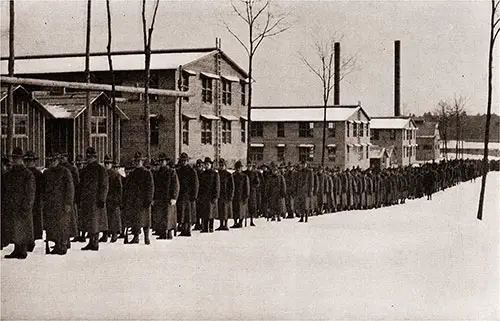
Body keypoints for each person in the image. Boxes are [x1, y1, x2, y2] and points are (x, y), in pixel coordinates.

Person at [1, 148, 36, 259]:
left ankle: (22, 250)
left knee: (22, 228)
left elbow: (30, 192)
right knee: (14, 229)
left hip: (22, 206)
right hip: (12, 206)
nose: (15, 160)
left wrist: (26, 206)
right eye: (14, 158)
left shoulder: (27, 174)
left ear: (22, 159)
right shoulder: (9, 174)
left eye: (18, 158)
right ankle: (17, 249)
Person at [42, 153, 75, 255]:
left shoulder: (65, 172)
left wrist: (68, 203)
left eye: (54, 160)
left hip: (62, 203)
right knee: (53, 226)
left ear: (58, 161)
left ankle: (63, 245)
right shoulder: (47, 173)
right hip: (51, 204)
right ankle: (56, 244)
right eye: (50, 161)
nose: (52, 162)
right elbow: (43, 188)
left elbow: (70, 188)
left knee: (62, 226)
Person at [78, 147, 109, 251]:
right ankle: (91, 242)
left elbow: (104, 185)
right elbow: (81, 185)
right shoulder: (85, 170)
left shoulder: (101, 169)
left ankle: (95, 243)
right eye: (88, 157)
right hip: (87, 200)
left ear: (95, 157)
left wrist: (102, 199)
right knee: (89, 223)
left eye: (91, 157)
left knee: (95, 223)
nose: (89, 159)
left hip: (96, 201)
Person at [123, 152, 154, 244]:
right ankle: (136, 237)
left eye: (139, 161)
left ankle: (146, 237)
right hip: (134, 201)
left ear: (142, 162)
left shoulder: (147, 173)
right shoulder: (132, 174)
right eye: (136, 161)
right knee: (136, 220)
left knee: (146, 221)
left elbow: (150, 188)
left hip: (144, 200)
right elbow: (127, 187)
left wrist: (149, 199)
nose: (137, 163)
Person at [153, 153, 179, 240]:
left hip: (168, 198)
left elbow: (175, 185)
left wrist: (174, 197)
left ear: (166, 162)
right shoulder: (157, 173)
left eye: (162, 161)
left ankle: (169, 232)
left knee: (169, 216)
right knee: (160, 216)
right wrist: (153, 198)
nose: (160, 163)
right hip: (160, 198)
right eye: (159, 161)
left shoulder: (171, 172)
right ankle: (163, 233)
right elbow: (154, 186)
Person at [23, 151, 44, 252]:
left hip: (36, 201)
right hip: (26, 201)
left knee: (34, 222)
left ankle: (32, 241)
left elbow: (41, 189)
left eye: (30, 161)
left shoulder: (38, 174)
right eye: (26, 161)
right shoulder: (23, 173)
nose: (28, 163)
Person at [175, 152, 198, 237]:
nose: (183, 162)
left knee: (188, 215)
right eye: (182, 160)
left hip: (188, 196)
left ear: (188, 161)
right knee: (182, 214)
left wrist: (194, 196)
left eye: (185, 160)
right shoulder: (179, 171)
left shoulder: (192, 171)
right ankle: (183, 229)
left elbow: (195, 184)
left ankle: (187, 230)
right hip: (181, 195)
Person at [102, 155, 122, 243]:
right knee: (105, 217)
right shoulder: (103, 173)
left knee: (114, 218)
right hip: (105, 198)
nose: (107, 165)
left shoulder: (115, 174)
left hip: (113, 198)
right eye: (105, 163)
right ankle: (105, 234)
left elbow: (119, 188)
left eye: (108, 163)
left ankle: (114, 234)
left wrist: (118, 199)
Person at [197, 157, 220, 233]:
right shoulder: (202, 174)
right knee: (204, 213)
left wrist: (215, 196)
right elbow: (200, 185)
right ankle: (205, 227)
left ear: (211, 165)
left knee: (211, 213)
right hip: (204, 196)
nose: (206, 166)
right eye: (205, 164)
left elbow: (217, 186)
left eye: (208, 164)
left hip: (211, 196)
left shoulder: (215, 174)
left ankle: (211, 227)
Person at [216, 158, 234, 231]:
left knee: (226, 211)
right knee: (220, 211)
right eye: (220, 165)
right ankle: (221, 225)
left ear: (225, 166)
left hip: (226, 195)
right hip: (220, 195)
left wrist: (231, 195)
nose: (221, 166)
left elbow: (232, 186)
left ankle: (225, 224)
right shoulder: (217, 174)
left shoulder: (228, 175)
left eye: (222, 165)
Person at [232, 160, 250, 228]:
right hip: (235, 195)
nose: (238, 169)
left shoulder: (244, 176)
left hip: (242, 195)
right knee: (235, 210)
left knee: (241, 211)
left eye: (239, 167)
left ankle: (240, 222)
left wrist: (246, 196)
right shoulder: (233, 175)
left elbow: (247, 187)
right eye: (237, 168)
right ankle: (235, 222)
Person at [243, 161, 260, 226]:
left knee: (252, 206)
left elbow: (257, 182)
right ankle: (242, 220)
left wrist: (253, 187)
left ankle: (251, 220)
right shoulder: (244, 173)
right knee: (244, 206)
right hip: (245, 191)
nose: (249, 166)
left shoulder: (254, 173)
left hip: (252, 192)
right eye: (248, 165)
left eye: (250, 165)